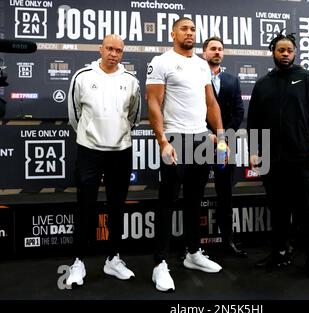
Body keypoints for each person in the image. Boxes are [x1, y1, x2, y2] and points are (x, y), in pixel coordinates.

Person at [146, 17, 227, 292]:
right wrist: (162, 141)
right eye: (184, 29)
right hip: (175, 140)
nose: (189, 33)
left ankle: (193, 253)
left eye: (193, 29)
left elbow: (211, 102)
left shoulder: (202, 64)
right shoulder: (162, 62)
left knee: (195, 200)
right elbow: (153, 103)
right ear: (173, 33)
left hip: (201, 139)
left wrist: (222, 138)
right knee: (167, 202)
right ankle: (160, 263)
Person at [247, 32, 309, 280]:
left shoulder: (308, 79)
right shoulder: (263, 83)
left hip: (303, 158)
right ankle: (280, 252)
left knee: (306, 211)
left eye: (289, 50)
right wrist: (254, 150)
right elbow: (254, 121)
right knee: (278, 209)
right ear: (273, 52)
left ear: (295, 53)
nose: (285, 53)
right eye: (280, 49)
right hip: (272, 160)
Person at [66, 34, 141, 286]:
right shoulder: (82, 76)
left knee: (117, 207)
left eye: (118, 50)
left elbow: (133, 116)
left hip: (120, 151)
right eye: (109, 48)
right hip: (89, 151)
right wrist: (91, 136)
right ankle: (78, 262)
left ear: (122, 53)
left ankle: (113, 259)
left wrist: (117, 135)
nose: (113, 53)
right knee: (85, 206)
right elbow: (75, 115)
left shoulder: (130, 81)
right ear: (100, 49)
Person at [202, 36, 246, 258]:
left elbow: (239, 111)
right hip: (198, 142)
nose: (217, 52)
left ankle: (228, 241)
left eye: (220, 49)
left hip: (223, 146)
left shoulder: (232, 80)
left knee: (225, 194)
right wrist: (207, 134)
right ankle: (192, 247)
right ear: (204, 53)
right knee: (194, 193)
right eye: (212, 49)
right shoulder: (195, 77)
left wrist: (223, 138)